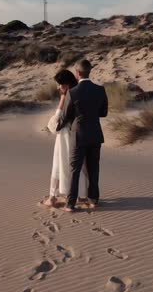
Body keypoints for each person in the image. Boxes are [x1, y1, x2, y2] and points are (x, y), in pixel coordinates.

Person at [56, 59, 108, 212]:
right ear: (89, 71)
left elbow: (66, 115)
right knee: (94, 168)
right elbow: (104, 113)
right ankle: (94, 199)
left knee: (75, 169)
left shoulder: (73, 92)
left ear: (78, 73)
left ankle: (70, 204)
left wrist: (57, 126)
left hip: (78, 135)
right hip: (95, 134)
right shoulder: (100, 90)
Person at [44, 69, 89, 207]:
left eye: (60, 84)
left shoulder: (68, 97)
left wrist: (62, 99)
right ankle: (81, 195)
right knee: (78, 166)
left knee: (60, 165)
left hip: (65, 138)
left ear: (67, 84)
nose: (58, 87)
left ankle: (53, 197)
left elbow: (53, 125)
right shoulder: (81, 95)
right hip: (77, 136)